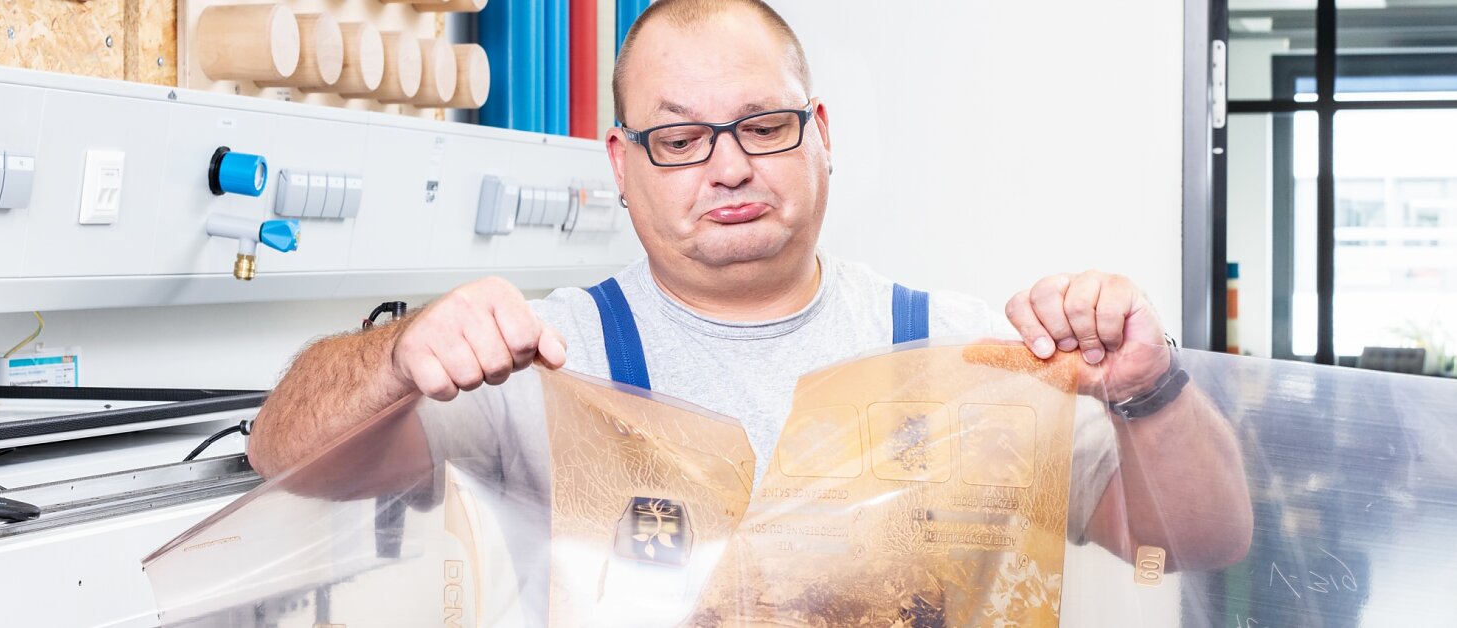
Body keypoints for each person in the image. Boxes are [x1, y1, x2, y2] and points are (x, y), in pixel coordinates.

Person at [249, 0, 1250, 575]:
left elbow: (1196, 544)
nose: (727, 168)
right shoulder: (543, 360)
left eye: (763, 126)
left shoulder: (966, 352)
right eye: (679, 138)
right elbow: (287, 459)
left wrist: (1148, 390)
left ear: (821, 134)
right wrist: (394, 356)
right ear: (622, 163)